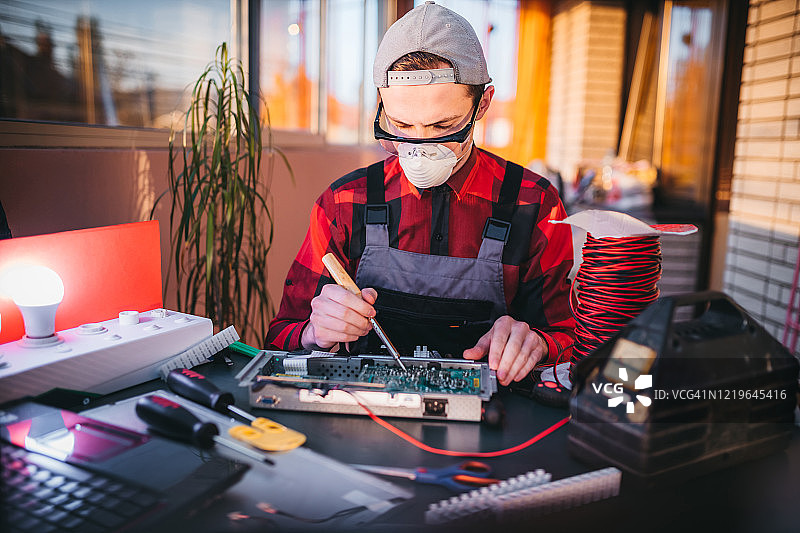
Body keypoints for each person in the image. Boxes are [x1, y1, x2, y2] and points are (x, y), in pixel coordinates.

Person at [267, 1, 575, 387]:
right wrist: (313, 333)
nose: (419, 146)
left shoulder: (535, 203)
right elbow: (279, 337)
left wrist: (539, 344)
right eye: (401, 125)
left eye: (442, 125)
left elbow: (573, 339)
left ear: (483, 103)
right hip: (365, 423)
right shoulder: (343, 204)